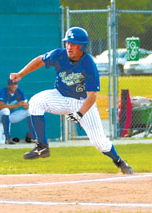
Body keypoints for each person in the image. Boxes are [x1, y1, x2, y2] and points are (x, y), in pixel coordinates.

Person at [10, 27, 133, 174]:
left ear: (82, 46)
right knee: (36, 102)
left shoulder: (88, 63)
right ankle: (42, 146)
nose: (69, 46)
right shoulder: (59, 55)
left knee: (99, 142)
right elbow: (40, 60)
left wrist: (79, 114)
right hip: (60, 96)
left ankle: (119, 161)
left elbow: (92, 95)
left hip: (83, 102)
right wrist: (21, 74)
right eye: (68, 42)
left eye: (73, 44)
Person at [0, 79, 36, 144]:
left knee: (29, 112)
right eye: (11, 84)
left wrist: (25, 105)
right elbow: (1, 106)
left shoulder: (19, 92)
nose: (13, 86)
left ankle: (33, 136)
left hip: (9, 116)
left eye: (15, 84)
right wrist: (17, 105)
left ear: (17, 85)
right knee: (6, 110)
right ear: (8, 85)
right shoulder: (4, 91)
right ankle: (8, 138)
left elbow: (26, 106)